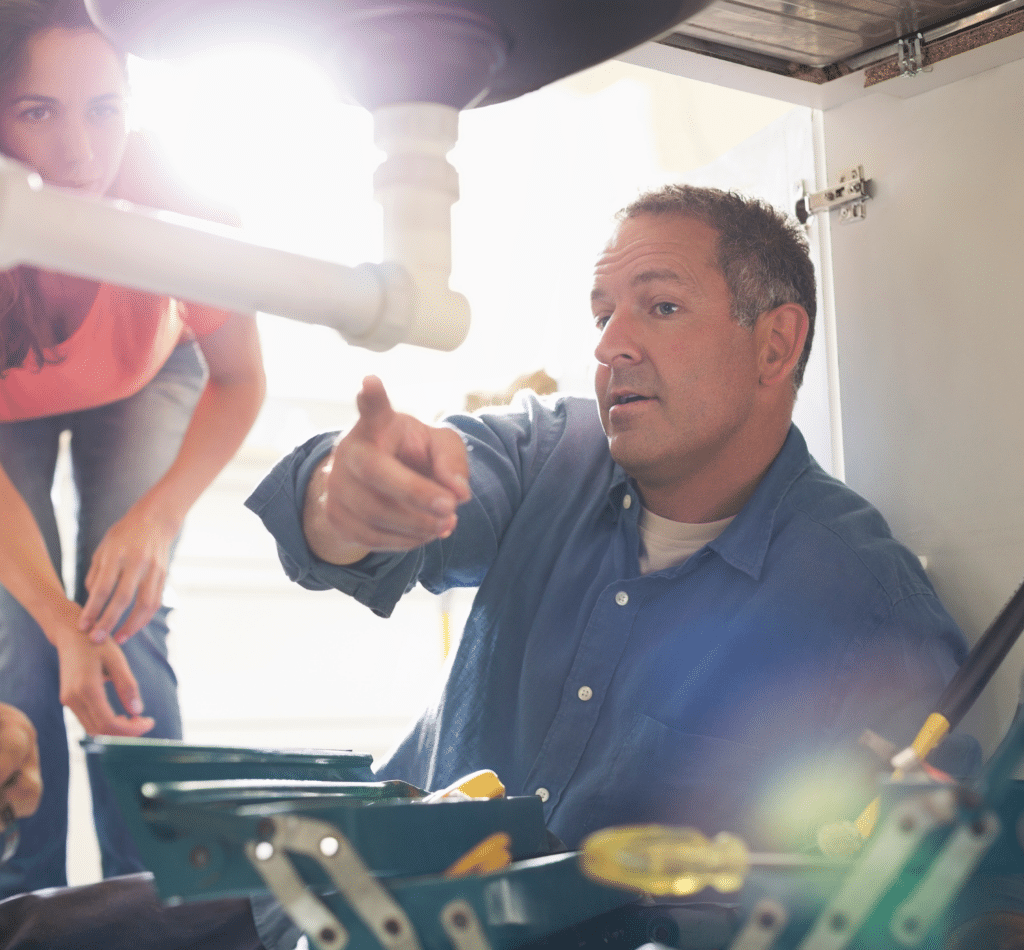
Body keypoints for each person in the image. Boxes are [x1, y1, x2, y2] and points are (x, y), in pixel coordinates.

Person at [0, 184, 982, 948]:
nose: (608, 343)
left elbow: (935, 887)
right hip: (320, 894)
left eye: (660, 305)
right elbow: (410, 485)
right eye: (601, 310)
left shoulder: (860, 610)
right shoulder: (555, 448)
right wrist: (343, 494)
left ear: (776, 344)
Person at [0, 0, 266, 896]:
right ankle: (21, 905)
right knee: (22, 648)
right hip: (8, 406)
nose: (79, 152)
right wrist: (51, 620)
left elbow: (241, 379)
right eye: (38, 111)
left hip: (147, 377)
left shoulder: (183, 205)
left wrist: (157, 519)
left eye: (103, 109)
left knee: (124, 614)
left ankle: (160, 900)